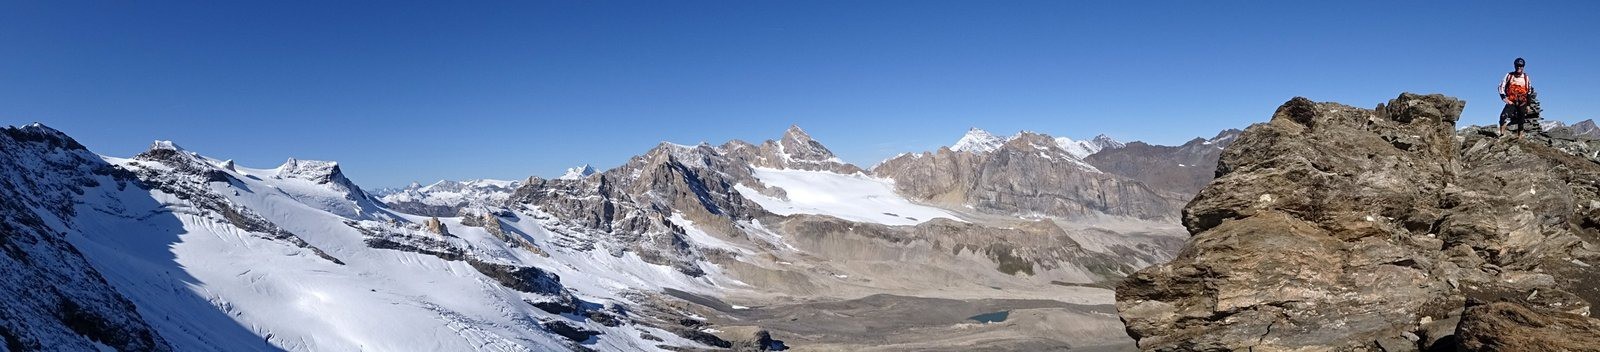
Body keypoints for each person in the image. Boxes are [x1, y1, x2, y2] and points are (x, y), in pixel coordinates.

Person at [1499, 57, 1533, 139]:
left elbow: (1529, 91)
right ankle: (1501, 135)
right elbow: (1501, 87)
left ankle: (1519, 138)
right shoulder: (1509, 75)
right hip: (1511, 101)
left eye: (1521, 66)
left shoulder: (1526, 77)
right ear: (1514, 66)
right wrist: (1505, 99)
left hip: (1522, 102)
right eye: (1517, 65)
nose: (1519, 67)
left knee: (1521, 121)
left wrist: (1528, 105)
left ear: (1523, 67)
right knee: (1503, 116)